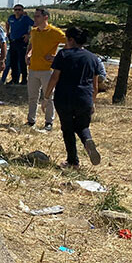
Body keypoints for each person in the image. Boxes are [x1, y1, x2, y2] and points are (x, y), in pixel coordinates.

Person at [43, 27, 102, 168]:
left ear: (71, 40)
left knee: (67, 128)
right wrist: (92, 102)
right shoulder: (93, 58)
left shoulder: (63, 55)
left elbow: (54, 77)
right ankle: (87, 140)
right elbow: (95, 85)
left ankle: (73, 161)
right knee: (82, 126)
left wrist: (46, 96)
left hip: (65, 98)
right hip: (85, 98)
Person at [25, 8, 66, 131]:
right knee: (32, 96)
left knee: (48, 96)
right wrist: (28, 54)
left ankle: (49, 122)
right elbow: (32, 45)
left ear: (45, 18)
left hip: (47, 70)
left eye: (37, 16)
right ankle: (31, 120)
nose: (35, 19)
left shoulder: (55, 32)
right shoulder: (34, 31)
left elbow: (70, 44)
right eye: (35, 16)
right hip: (33, 69)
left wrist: (57, 57)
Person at [5, 4, 34, 84]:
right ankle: (14, 79)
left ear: (22, 10)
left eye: (19, 10)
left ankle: (24, 79)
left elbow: (35, 26)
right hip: (13, 41)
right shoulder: (11, 18)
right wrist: (8, 32)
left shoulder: (25, 18)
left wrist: (28, 34)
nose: (17, 11)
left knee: (22, 61)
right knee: (13, 61)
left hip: (21, 41)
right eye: (16, 10)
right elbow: (7, 23)